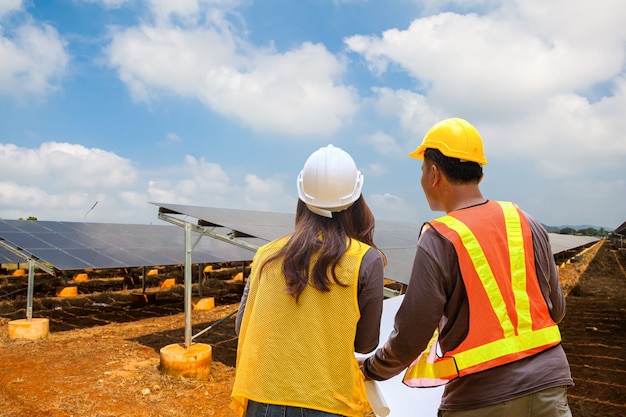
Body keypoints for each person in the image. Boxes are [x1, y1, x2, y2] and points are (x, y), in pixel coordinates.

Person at [360, 118, 574, 416]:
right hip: (549, 384)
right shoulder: (524, 220)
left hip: (481, 397)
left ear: (434, 174)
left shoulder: (439, 237)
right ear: (479, 173)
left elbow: (411, 335)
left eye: (422, 170)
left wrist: (372, 368)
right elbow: (556, 309)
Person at [231, 144, 387, 417]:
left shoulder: (266, 256)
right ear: (356, 199)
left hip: (261, 401)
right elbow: (365, 345)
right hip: (330, 403)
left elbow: (241, 325)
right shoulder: (366, 260)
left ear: (302, 198)